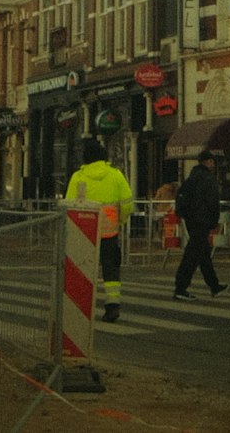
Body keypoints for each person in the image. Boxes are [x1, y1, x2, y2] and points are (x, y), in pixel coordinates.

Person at [65, 137, 134, 322]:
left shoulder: (78, 177)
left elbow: (68, 205)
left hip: (83, 231)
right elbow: (128, 202)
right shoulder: (115, 175)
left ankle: (79, 305)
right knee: (111, 269)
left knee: (83, 268)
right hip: (109, 231)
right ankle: (112, 306)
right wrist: (121, 219)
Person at [172, 149, 230, 302]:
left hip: (191, 220)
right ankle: (181, 287)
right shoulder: (208, 179)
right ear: (209, 162)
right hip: (202, 220)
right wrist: (214, 220)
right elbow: (212, 202)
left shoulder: (191, 177)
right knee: (192, 255)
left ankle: (214, 285)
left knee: (202, 253)